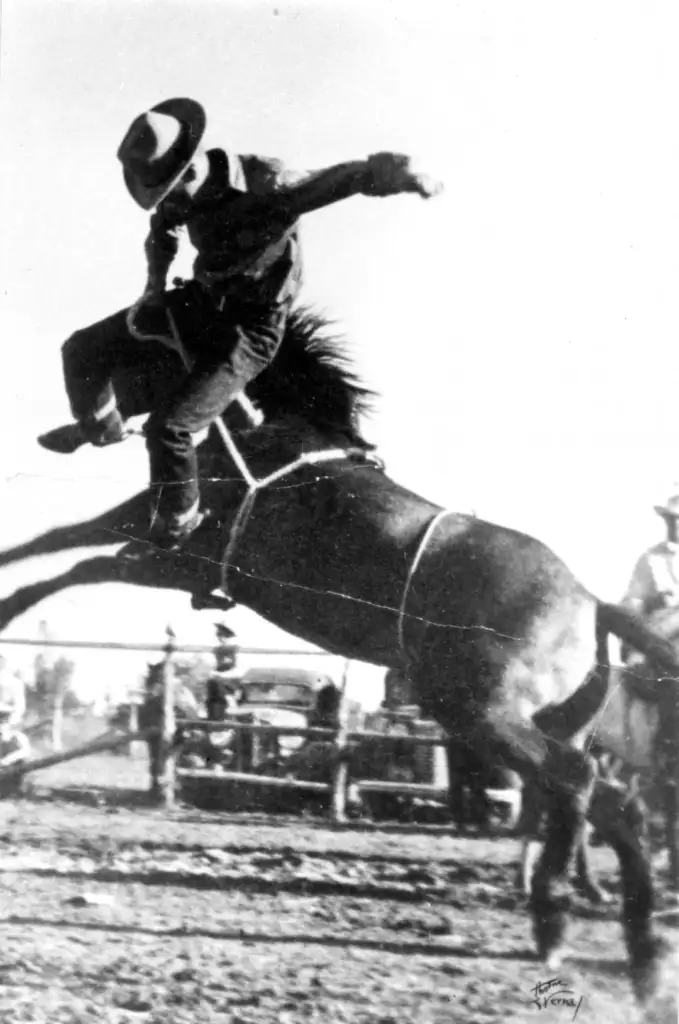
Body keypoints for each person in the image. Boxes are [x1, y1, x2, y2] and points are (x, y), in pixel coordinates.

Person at [38, 97, 443, 548]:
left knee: (171, 429)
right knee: (81, 348)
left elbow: (341, 179)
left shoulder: (267, 183)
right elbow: (164, 231)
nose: (169, 205)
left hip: (251, 330)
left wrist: (402, 174)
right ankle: (101, 427)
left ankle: (179, 525)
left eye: (171, 192)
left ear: (190, 170)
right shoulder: (176, 196)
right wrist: (153, 287)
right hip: (202, 303)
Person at [621, 489, 679, 617]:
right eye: (671, 518)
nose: (675, 523)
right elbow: (630, 607)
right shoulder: (651, 558)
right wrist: (653, 603)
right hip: (665, 630)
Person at [0, 706, 31, 797]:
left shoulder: (18, 737)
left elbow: (26, 752)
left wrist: (6, 761)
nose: (1, 725)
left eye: (3, 722)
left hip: (14, 775)